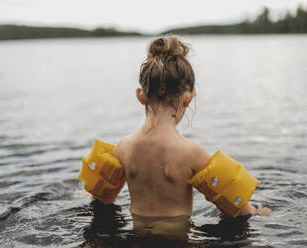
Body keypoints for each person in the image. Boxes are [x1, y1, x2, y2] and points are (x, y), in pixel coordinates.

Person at [113, 35, 270, 240]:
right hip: (178, 241)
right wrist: (260, 211)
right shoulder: (191, 153)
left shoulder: (123, 148)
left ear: (140, 96)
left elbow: (98, 195)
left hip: (136, 239)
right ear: (187, 99)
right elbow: (239, 209)